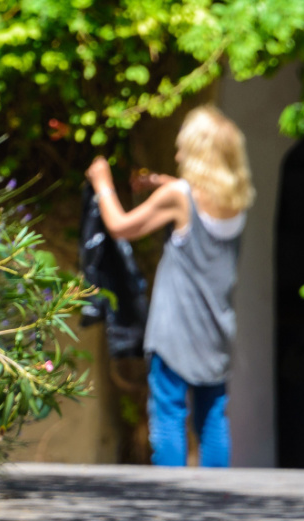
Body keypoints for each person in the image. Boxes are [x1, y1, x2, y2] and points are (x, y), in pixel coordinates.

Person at [85, 106, 254, 467]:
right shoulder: (236, 200)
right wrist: (159, 184)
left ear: (198, 153)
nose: (178, 155)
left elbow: (120, 227)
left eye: (183, 148)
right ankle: (219, 499)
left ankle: (172, 502)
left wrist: (103, 183)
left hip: (176, 330)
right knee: (212, 418)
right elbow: (196, 203)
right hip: (215, 330)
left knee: (168, 415)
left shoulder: (179, 196)